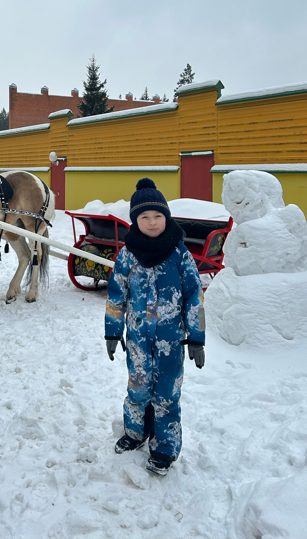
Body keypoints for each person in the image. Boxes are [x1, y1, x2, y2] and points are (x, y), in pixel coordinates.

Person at [105, 178, 205, 475]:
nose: (152, 222)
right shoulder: (127, 254)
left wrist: (197, 337)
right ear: (135, 221)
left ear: (167, 218)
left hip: (171, 343)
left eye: (158, 216)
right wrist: (112, 331)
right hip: (137, 340)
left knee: (166, 394)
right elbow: (115, 295)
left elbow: (194, 296)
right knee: (137, 390)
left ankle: (164, 448)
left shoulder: (179, 254)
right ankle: (136, 433)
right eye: (144, 217)